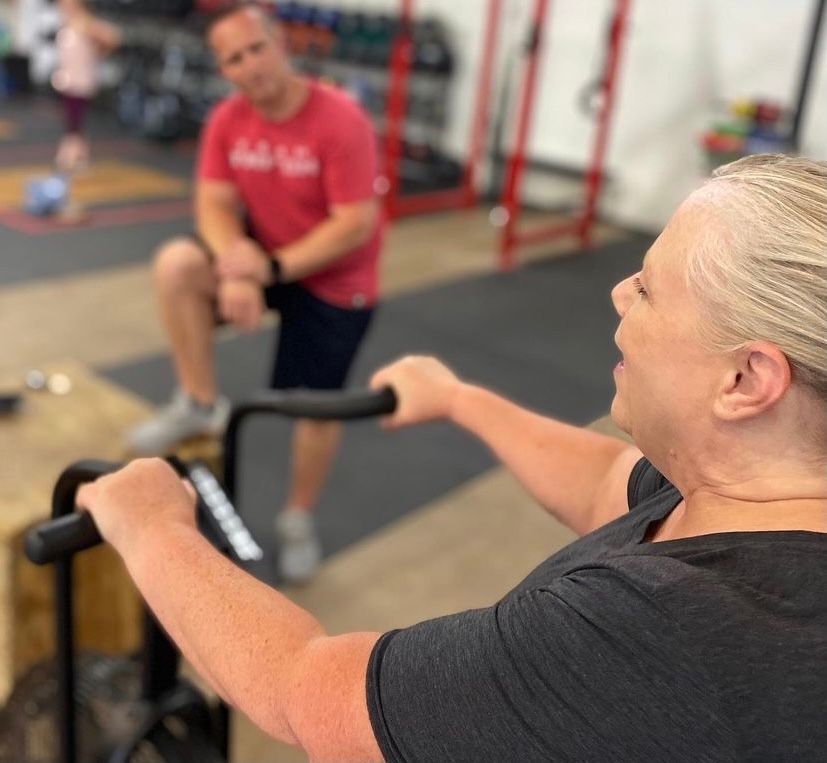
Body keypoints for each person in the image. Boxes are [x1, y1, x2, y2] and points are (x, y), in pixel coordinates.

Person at [80, 154, 826, 761]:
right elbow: (617, 487)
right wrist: (459, 399)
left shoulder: (651, 630)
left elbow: (308, 691)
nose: (617, 292)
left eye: (649, 289)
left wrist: (153, 527)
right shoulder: (754, 485)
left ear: (745, 380)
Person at [125, 3, 384, 583]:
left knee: (311, 405)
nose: (249, 65)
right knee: (178, 265)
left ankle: (297, 517)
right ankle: (198, 402)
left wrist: (264, 269)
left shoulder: (341, 119)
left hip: (333, 279)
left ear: (282, 44)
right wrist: (237, 268)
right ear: (224, 70)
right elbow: (214, 204)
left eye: (256, 49)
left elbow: (353, 224)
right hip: (263, 259)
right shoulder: (227, 119)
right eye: (233, 59)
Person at [52, 0, 120, 176]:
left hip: (79, 82)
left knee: (74, 124)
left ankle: (71, 158)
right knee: (72, 124)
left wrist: (98, 52)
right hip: (67, 81)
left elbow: (112, 38)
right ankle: (78, 158)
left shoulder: (85, 22)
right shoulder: (68, 21)